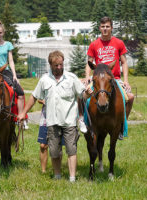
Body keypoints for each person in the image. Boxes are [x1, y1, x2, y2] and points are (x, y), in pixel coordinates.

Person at [18, 50, 92, 182]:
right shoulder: (44, 79)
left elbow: (82, 95)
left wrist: (88, 93)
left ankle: (72, 178)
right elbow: (34, 97)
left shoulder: (71, 78)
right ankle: (57, 176)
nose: (59, 67)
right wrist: (24, 112)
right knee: (54, 152)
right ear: (50, 65)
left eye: (61, 64)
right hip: (52, 121)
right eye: (56, 65)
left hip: (69, 121)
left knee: (71, 150)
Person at [83, 16, 135, 140]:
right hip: (98, 79)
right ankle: (87, 124)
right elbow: (89, 63)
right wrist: (87, 77)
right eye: (103, 27)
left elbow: (124, 63)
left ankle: (122, 125)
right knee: (85, 97)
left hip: (114, 79)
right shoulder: (94, 44)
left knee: (131, 97)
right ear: (99, 28)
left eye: (107, 26)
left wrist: (126, 80)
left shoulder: (119, 43)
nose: (105, 29)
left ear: (111, 28)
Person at [37, 99, 65, 173]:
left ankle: (57, 169)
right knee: (43, 146)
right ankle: (43, 171)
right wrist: (43, 101)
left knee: (58, 146)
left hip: (59, 119)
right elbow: (38, 98)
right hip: (45, 120)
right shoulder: (44, 86)